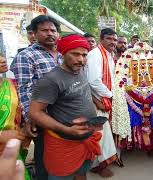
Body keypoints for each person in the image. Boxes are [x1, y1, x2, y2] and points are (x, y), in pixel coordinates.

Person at [29, 34, 102, 180]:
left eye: (84, 55)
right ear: (64, 53)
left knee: (81, 173)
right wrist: (66, 129)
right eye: (75, 54)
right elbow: (35, 113)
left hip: (86, 139)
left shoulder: (79, 70)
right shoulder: (51, 80)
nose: (81, 59)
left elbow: (82, 93)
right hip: (63, 144)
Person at [10, 15, 62, 180]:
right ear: (34, 33)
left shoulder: (63, 54)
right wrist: (31, 117)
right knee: (45, 158)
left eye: (53, 30)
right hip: (43, 116)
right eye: (44, 30)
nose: (50, 34)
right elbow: (24, 89)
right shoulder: (25, 56)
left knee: (64, 155)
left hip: (65, 113)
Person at [86, 28, 118, 177]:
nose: (113, 42)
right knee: (100, 134)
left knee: (104, 133)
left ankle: (101, 163)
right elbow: (93, 81)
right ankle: (98, 165)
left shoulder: (108, 55)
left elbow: (111, 77)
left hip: (104, 99)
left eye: (115, 39)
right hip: (97, 101)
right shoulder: (95, 55)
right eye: (109, 38)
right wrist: (111, 96)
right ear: (101, 39)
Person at [0, 56, 30, 180]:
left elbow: (20, 108)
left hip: (12, 143)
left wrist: (24, 128)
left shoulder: (11, 83)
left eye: (2, 58)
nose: (3, 60)